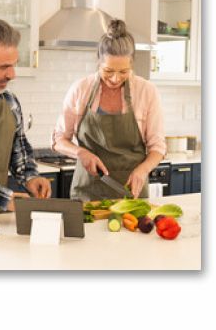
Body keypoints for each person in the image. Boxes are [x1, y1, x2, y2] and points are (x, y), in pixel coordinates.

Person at [52, 19, 166, 201]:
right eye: (108, 70)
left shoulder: (147, 91)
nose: (115, 78)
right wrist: (81, 152)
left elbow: (158, 147)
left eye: (123, 72)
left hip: (132, 194)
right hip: (87, 192)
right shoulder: (80, 89)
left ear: (132, 64)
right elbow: (59, 140)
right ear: (98, 61)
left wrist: (142, 170)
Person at [0, 19, 51, 211]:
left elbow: (20, 146)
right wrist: (3, 198)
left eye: (14, 65)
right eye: (3, 67)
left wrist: (31, 176)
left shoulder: (9, 100)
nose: (12, 75)